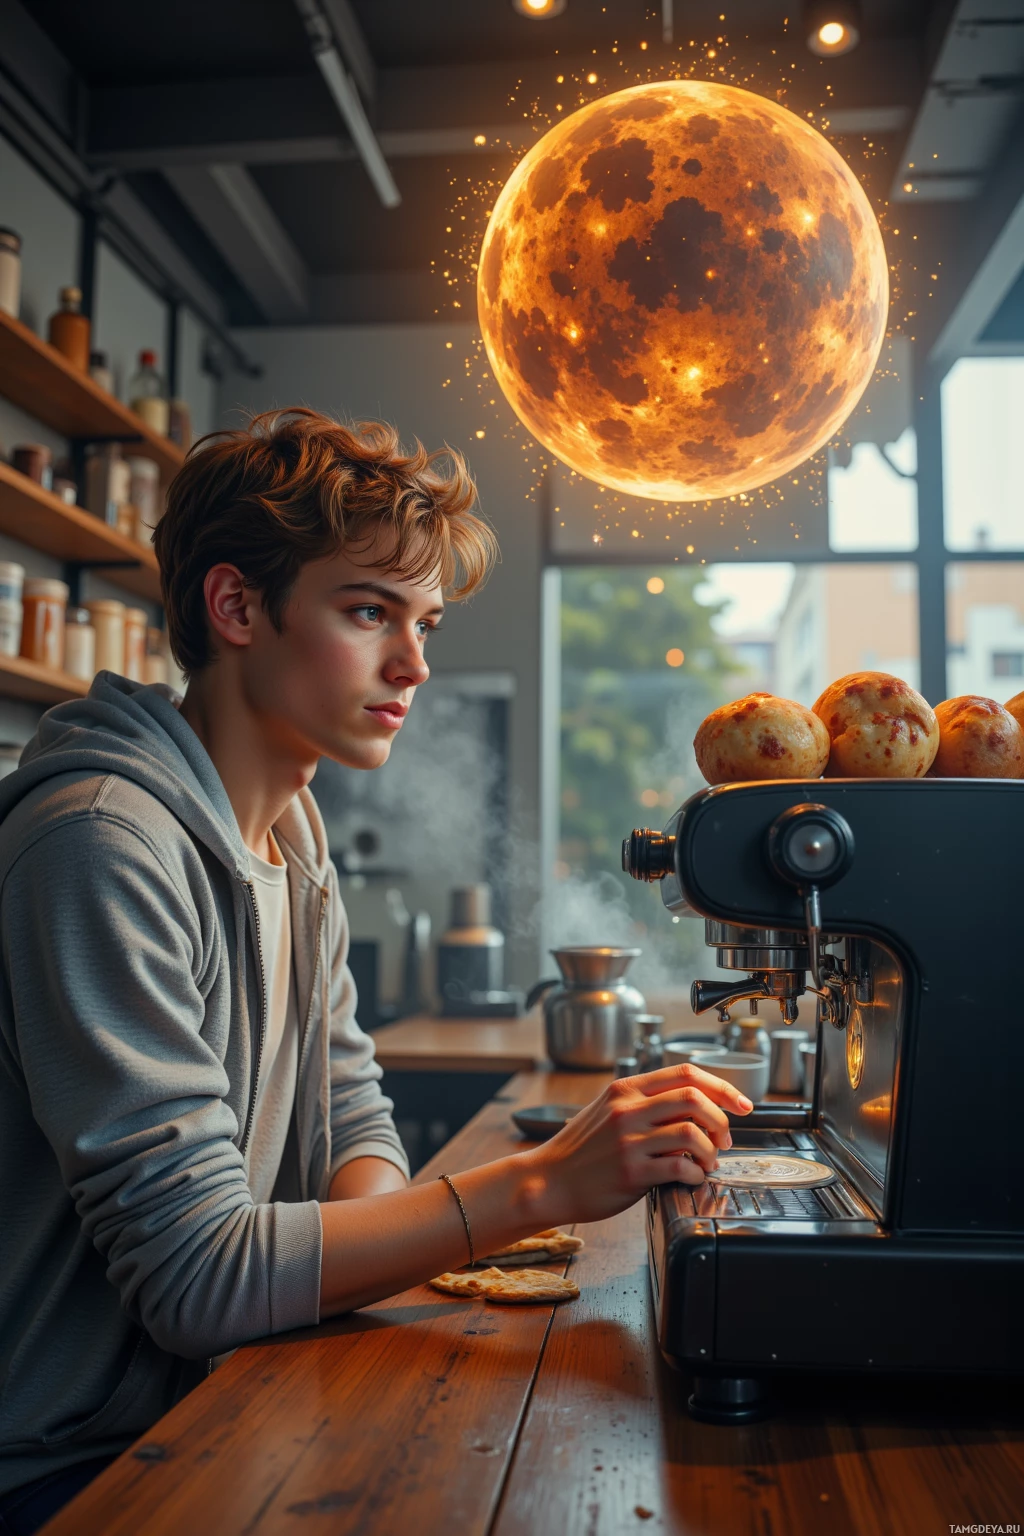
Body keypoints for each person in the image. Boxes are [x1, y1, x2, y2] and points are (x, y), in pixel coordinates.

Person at [0, 408, 750, 1533]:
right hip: (67, 1470)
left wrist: (374, 1246)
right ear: (237, 606)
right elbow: (199, 1278)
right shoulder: (100, 843)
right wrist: (539, 1186)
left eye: (427, 622)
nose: (415, 663)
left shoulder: (292, 833)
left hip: (213, 1399)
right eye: (368, 612)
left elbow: (355, 1118)